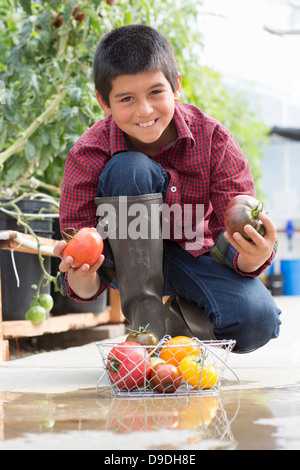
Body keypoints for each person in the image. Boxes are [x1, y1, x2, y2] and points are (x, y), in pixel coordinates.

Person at [54, 24, 281, 353]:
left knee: (257, 321)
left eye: (155, 92)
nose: (144, 110)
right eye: (127, 98)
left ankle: (176, 321)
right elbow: (85, 285)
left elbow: (233, 236)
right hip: (125, 263)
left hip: (194, 257)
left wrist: (254, 255)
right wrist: (81, 272)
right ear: (104, 102)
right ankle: (144, 336)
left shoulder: (213, 141)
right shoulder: (89, 155)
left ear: (176, 87)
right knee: (128, 167)